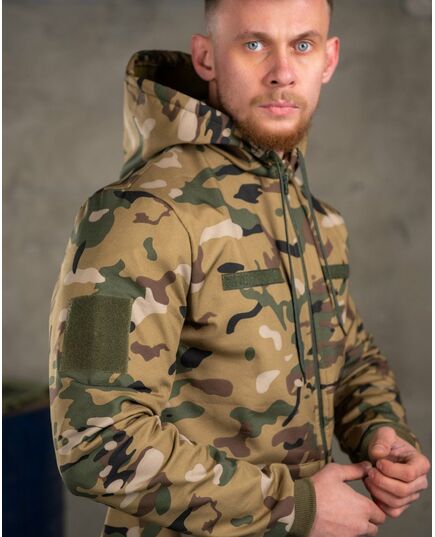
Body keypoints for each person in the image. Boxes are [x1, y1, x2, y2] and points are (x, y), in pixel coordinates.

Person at [48, 0, 430, 536]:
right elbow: (95, 442)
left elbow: (349, 354)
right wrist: (296, 507)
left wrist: (381, 433)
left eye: (302, 45)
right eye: (254, 44)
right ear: (206, 57)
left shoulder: (315, 217)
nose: (282, 72)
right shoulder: (140, 213)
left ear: (329, 59)